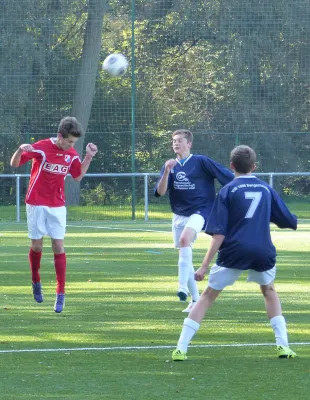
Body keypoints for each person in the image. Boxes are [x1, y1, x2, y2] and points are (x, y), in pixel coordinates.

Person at [171, 145, 297, 361]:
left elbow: (218, 234)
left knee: (208, 296)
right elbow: (288, 220)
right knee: (269, 291)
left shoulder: (227, 190)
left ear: (231, 166)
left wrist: (203, 266)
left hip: (234, 251)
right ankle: (283, 346)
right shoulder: (266, 189)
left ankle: (181, 348)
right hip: (262, 251)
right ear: (254, 166)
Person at [10, 116, 98, 313]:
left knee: (58, 246)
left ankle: (60, 293)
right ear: (60, 136)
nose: (71, 145)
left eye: (74, 142)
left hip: (57, 205)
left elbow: (77, 176)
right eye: (69, 141)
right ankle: (35, 280)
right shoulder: (41, 147)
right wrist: (20, 149)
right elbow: (15, 164)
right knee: (37, 245)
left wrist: (89, 156)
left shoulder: (72, 153)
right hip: (36, 203)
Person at [155, 129, 234, 312]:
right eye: (174, 141)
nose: (176, 143)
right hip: (179, 214)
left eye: (180, 140)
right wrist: (167, 171)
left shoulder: (201, 161)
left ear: (189, 144)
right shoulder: (170, 165)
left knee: (185, 240)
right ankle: (195, 299)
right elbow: (160, 192)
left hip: (202, 211)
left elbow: (227, 177)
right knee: (185, 253)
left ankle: (181, 287)